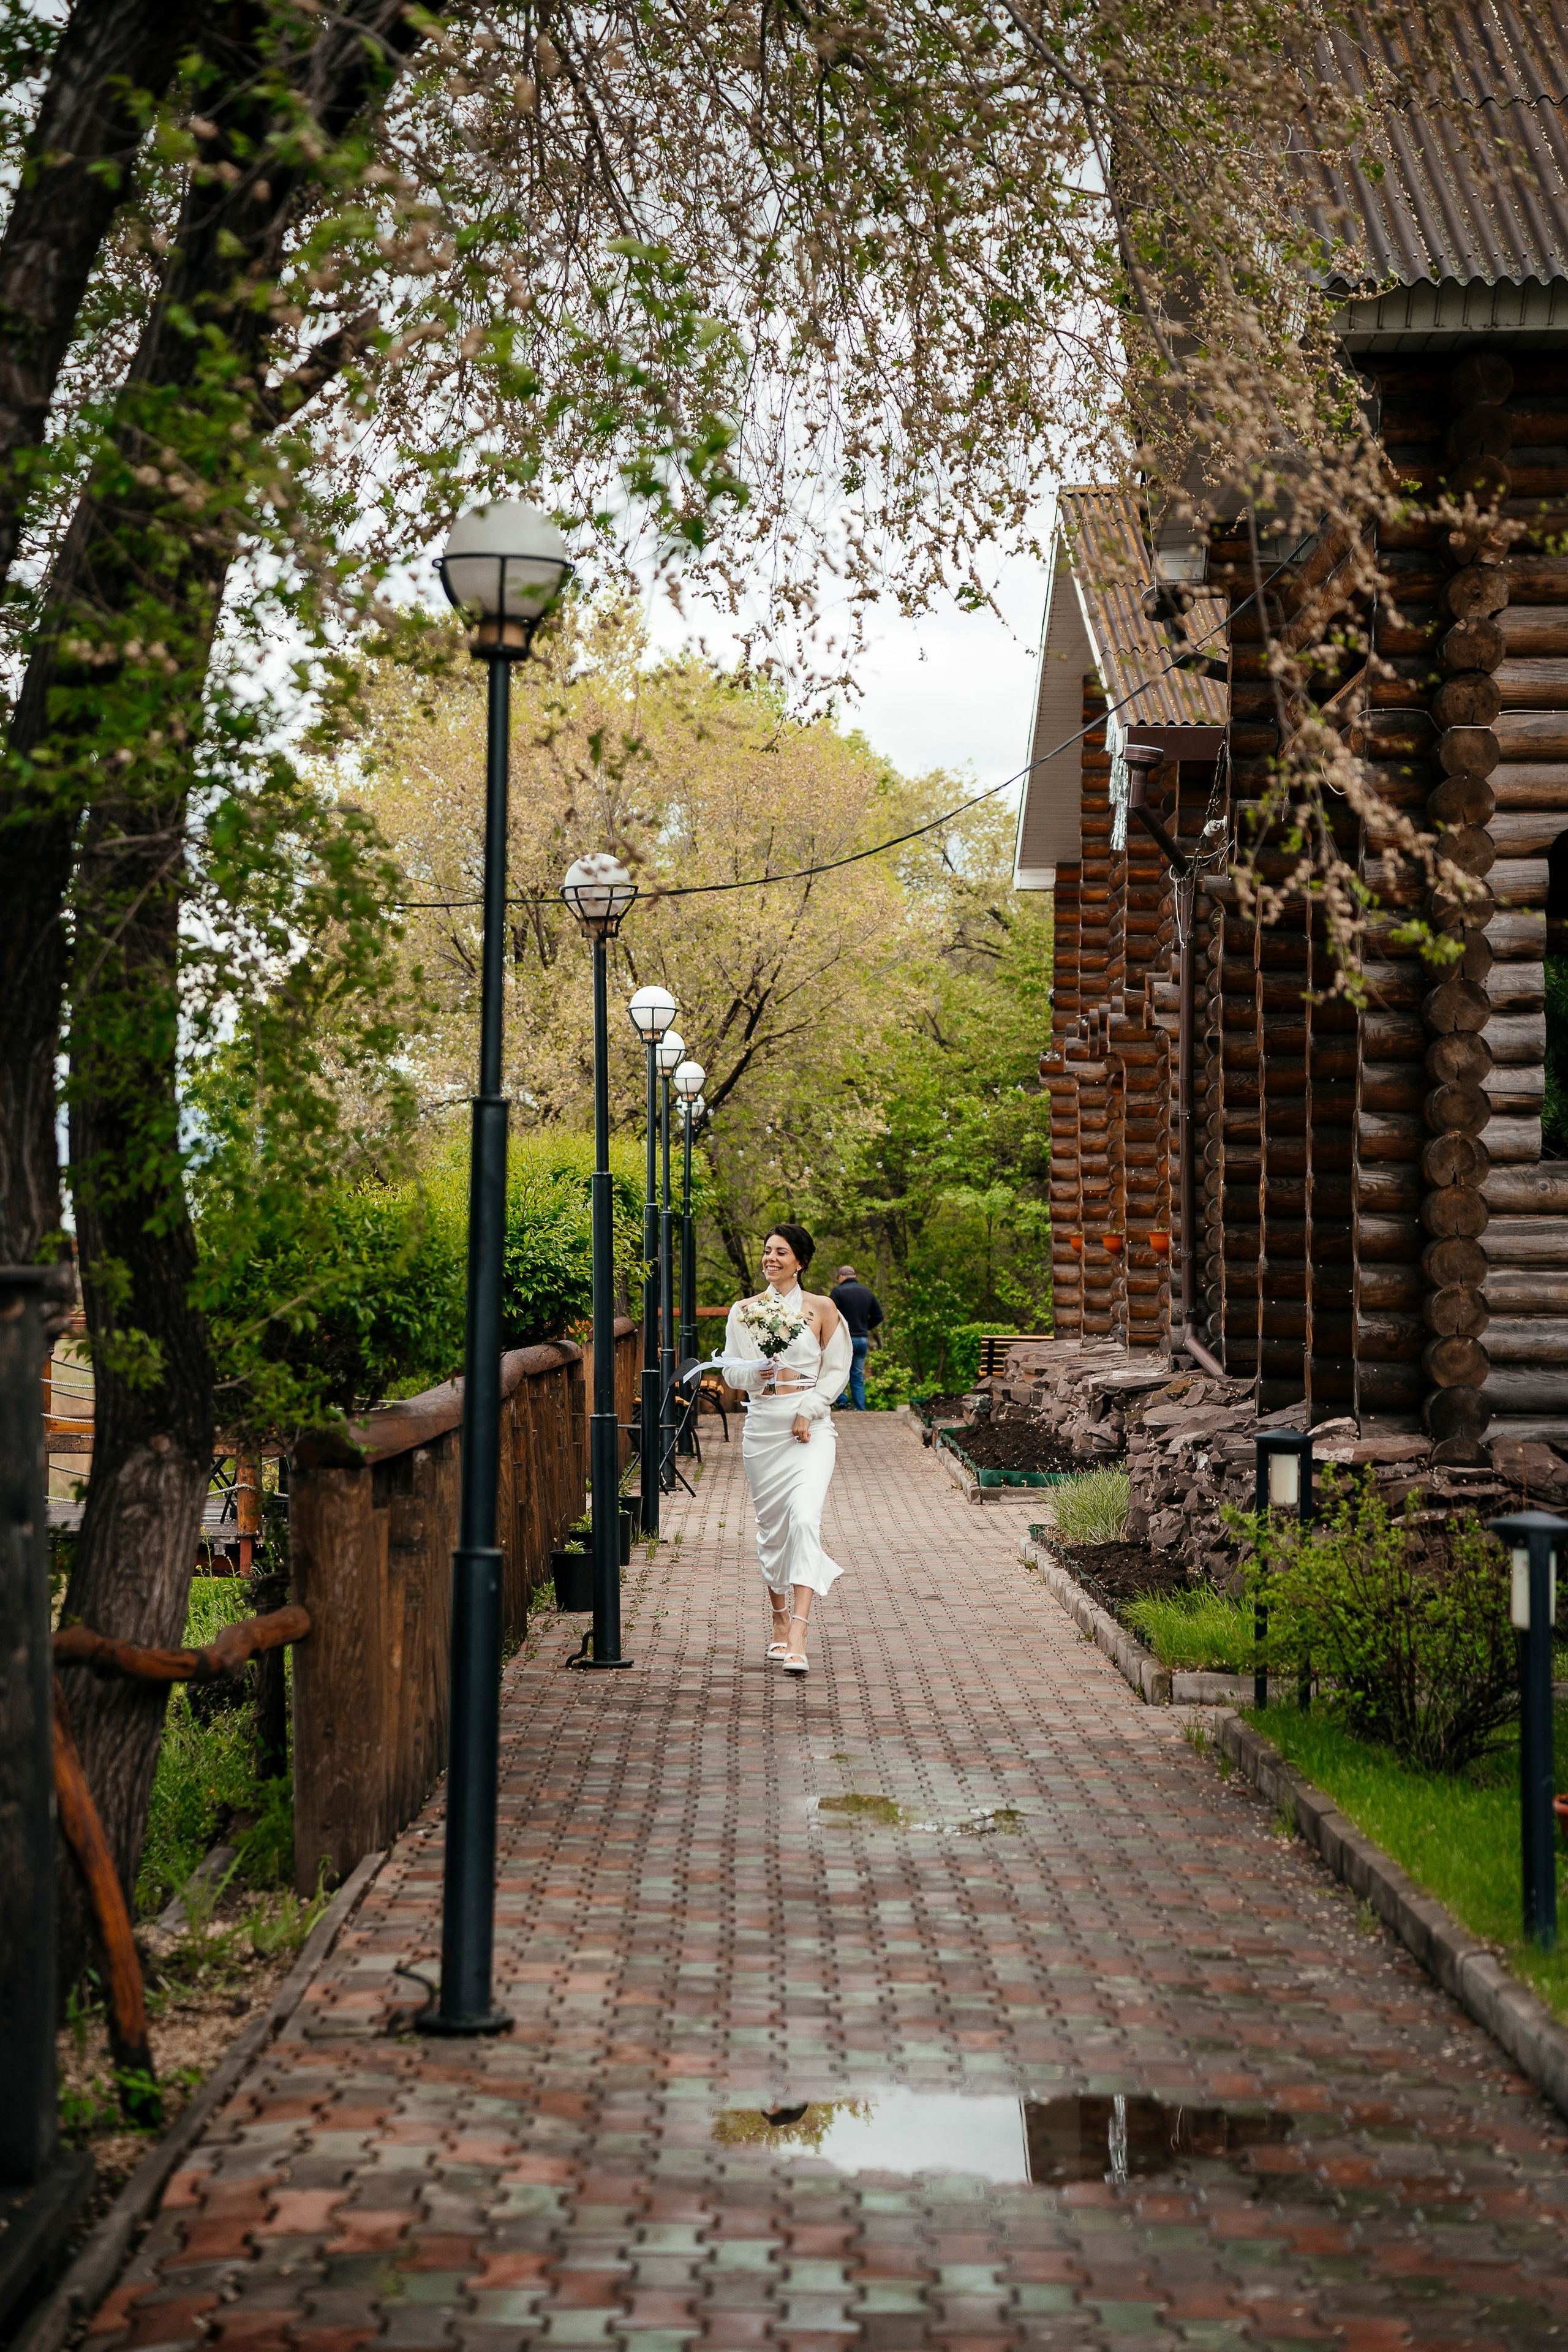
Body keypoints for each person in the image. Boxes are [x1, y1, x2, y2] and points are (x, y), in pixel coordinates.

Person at [717, 1223, 851, 1677]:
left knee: (804, 1519)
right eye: (767, 1251)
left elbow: (837, 1370)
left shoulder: (822, 1308)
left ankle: (798, 1632)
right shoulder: (745, 1311)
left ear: (801, 1261)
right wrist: (757, 1372)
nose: (770, 1258)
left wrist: (809, 1409)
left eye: (781, 1252)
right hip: (763, 1429)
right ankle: (776, 1616)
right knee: (772, 1531)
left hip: (811, 1430)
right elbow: (732, 1375)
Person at [829, 1264, 884, 1411]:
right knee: (857, 1376)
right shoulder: (867, 1293)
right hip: (861, 1340)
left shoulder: (838, 1292)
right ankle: (860, 1409)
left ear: (841, 1277)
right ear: (855, 1276)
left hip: (844, 1340)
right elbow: (879, 1316)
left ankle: (843, 1402)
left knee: (838, 1371)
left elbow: (828, 1314)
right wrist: (866, 1327)